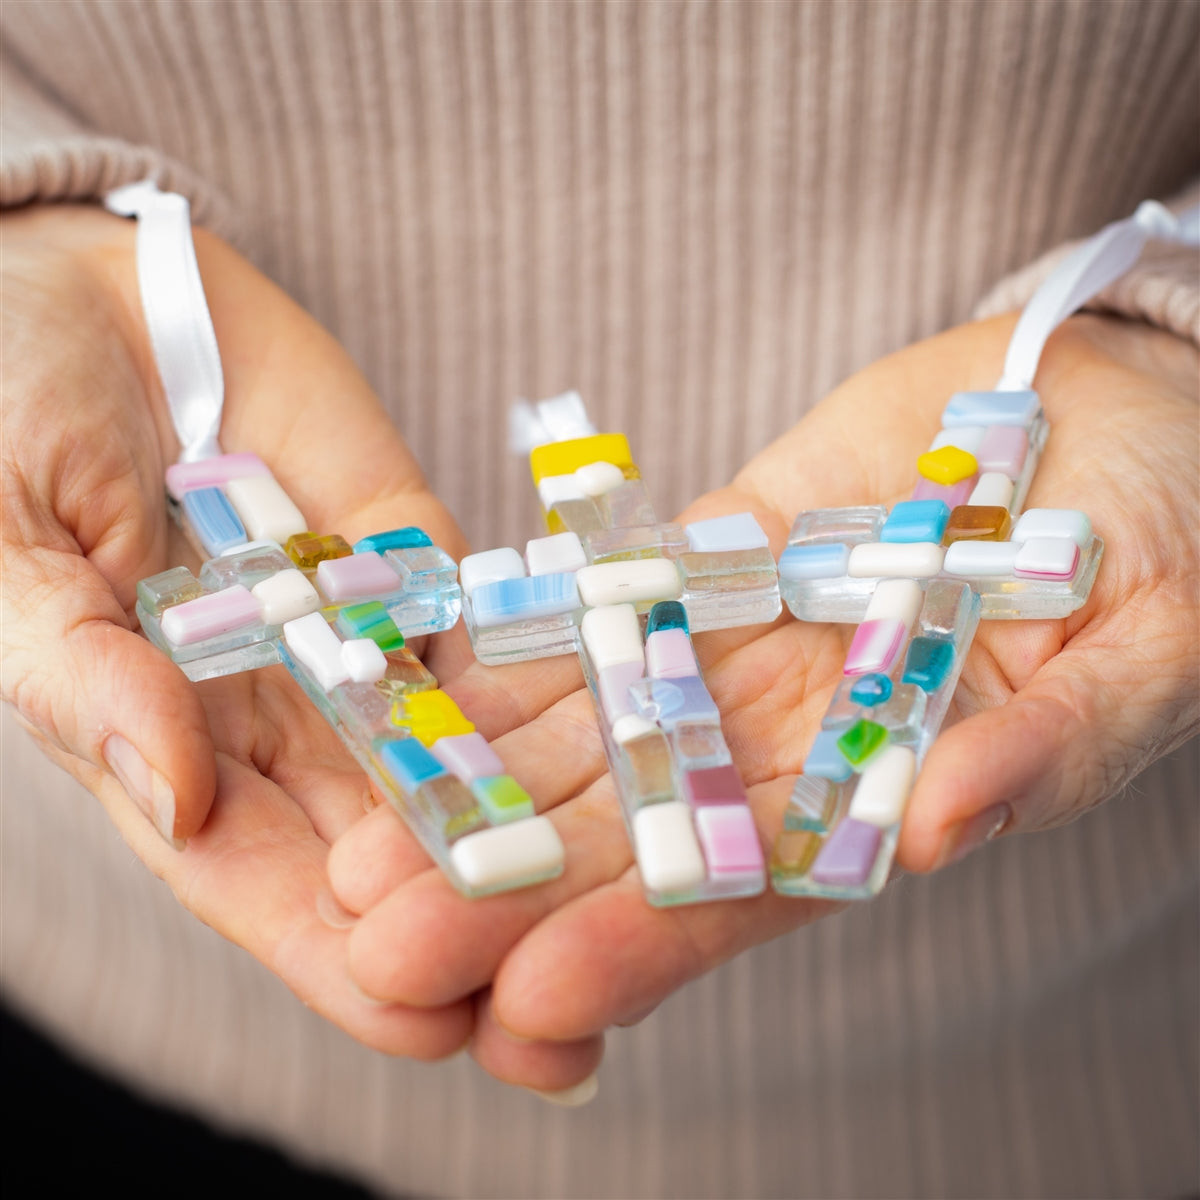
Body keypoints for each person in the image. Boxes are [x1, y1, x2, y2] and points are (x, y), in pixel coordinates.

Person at [2, 2, 1197, 1196]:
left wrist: (1168, 345)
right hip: (114, 996)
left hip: (1059, 1064)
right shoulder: (306, 577)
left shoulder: (864, 550)